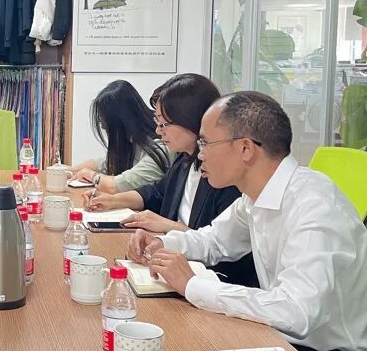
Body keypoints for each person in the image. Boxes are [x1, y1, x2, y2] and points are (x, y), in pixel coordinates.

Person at [130, 91, 367, 351]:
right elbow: (214, 241)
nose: (200, 154)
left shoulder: (315, 205)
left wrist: (193, 285)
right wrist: (162, 243)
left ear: (245, 148)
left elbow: (296, 312)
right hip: (284, 342)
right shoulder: (255, 197)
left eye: (206, 143)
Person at [84, 74, 257, 286]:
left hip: (210, 280)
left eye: (164, 124)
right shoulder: (184, 161)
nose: (158, 131)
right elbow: (156, 192)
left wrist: (167, 227)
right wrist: (112, 200)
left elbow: (220, 248)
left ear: (192, 121)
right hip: (177, 269)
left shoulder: (225, 177)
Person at [65, 80, 172, 193]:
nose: (105, 131)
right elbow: (106, 163)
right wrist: (69, 170)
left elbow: (119, 185)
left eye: (106, 126)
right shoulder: (132, 140)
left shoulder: (160, 146)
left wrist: (92, 176)